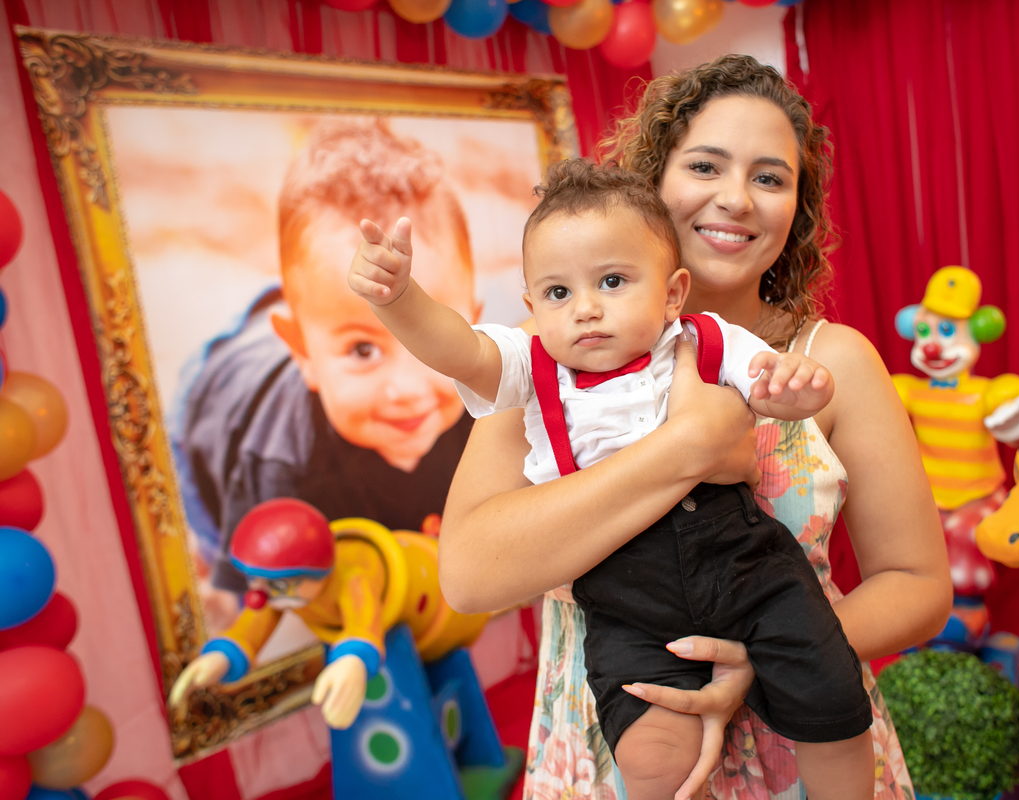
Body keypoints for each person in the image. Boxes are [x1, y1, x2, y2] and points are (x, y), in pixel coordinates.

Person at [438, 55, 951, 800]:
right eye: (705, 166)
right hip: (614, 742)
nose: (736, 199)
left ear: (798, 209)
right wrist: (687, 447)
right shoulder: (548, 352)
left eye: (770, 178)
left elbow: (918, 585)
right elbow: (468, 575)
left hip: (802, 731)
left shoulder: (828, 361)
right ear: (652, 181)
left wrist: (759, 656)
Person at [347, 158, 873, 800]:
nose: (586, 309)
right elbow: (460, 348)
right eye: (558, 294)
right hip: (625, 590)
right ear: (532, 306)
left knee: (833, 703)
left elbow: (770, 385)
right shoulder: (533, 364)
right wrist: (400, 299)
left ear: (672, 293)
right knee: (652, 755)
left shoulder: (704, 338)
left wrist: (797, 388)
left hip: (742, 560)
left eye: (613, 281)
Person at [173, 119, 476, 594]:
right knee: (228, 548)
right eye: (363, 349)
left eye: (431, 335)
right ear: (303, 355)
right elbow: (263, 598)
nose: (408, 389)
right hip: (212, 398)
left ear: (476, 324)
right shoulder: (277, 470)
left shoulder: (487, 407)